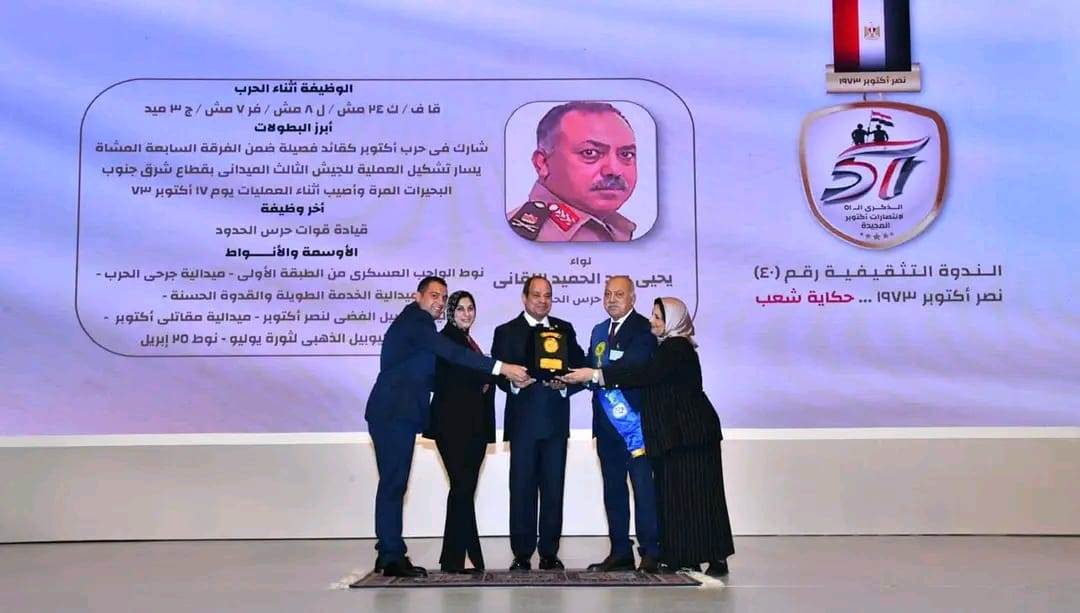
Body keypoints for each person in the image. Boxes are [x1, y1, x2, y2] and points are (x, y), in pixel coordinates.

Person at [365, 276, 528, 578]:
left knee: (393, 484)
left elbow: (433, 374)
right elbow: (452, 353)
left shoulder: (415, 325)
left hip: (396, 413)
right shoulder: (417, 321)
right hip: (393, 412)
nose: (439, 302)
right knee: (393, 485)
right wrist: (501, 367)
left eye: (443, 297)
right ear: (418, 296)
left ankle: (388, 551)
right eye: (434, 296)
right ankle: (390, 555)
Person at [561, 297, 734, 577]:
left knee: (699, 496)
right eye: (653, 315)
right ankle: (695, 557)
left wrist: (597, 375)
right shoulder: (668, 346)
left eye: (658, 317)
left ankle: (709, 558)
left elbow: (645, 374)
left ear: (674, 321)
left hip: (691, 433)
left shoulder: (676, 347)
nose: (652, 321)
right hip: (679, 434)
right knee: (689, 498)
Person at [491, 275, 587, 571]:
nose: (542, 301)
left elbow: (581, 367)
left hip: (555, 423)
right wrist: (514, 382)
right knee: (521, 489)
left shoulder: (564, 329)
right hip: (523, 424)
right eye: (536, 295)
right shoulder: (505, 331)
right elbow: (497, 375)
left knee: (553, 489)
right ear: (524, 298)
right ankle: (521, 554)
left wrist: (567, 384)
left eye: (547, 295)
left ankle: (549, 552)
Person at [584, 276, 661, 573]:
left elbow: (633, 366)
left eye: (619, 294)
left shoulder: (643, 329)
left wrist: (591, 375)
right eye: (607, 294)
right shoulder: (598, 330)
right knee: (613, 489)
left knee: (643, 490)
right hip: (606, 427)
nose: (612, 299)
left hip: (635, 427)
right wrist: (563, 376)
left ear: (632, 298)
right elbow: (590, 367)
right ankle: (620, 551)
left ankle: (651, 551)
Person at [422, 291, 495, 574]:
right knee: (462, 489)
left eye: (470, 308)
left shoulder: (467, 341)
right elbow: (462, 377)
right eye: (461, 308)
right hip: (453, 428)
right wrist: (486, 377)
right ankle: (458, 558)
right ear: (451, 312)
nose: (466, 314)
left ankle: (460, 557)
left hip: (473, 428)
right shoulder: (447, 340)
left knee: (463, 491)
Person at [507, 101, 638, 242]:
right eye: (590, 153)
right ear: (543, 163)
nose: (614, 170)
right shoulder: (512, 239)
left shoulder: (620, 231)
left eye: (626, 154)